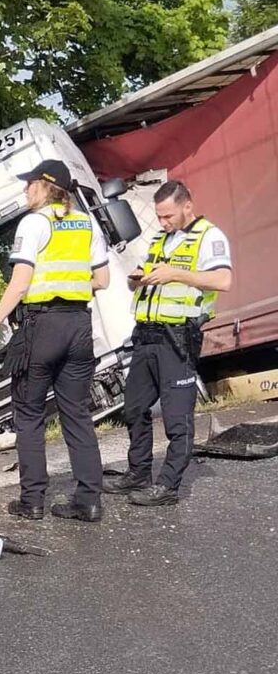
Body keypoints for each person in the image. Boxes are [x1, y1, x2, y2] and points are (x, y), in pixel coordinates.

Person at [0, 159, 110, 522]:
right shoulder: (86, 223)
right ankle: (88, 500)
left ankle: (32, 500)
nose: (25, 189)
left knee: (29, 414)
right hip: (79, 325)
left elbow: (20, 283)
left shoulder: (34, 223)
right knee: (77, 415)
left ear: (44, 186)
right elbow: (102, 280)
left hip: (42, 327)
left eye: (29, 183)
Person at [103, 180, 233, 506]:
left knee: (177, 417)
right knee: (134, 408)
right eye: (159, 217)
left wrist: (175, 274)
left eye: (168, 216)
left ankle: (168, 486)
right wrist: (138, 278)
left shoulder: (209, 236)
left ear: (187, 205)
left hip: (178, 338)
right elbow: (144, 283)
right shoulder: (162, 239)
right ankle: (138, 472)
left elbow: (223, 280)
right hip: (147, 335)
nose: (162, 223)